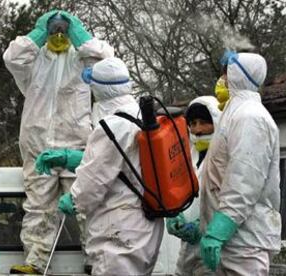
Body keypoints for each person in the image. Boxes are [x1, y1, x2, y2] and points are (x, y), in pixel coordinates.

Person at [3, 9, 114, 274]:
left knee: (87, 205)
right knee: (38, 207)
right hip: (37, 145)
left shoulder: (83, 60)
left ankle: (95, 262)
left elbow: (106, 60)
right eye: (54, 31)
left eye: (64, 31)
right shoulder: (33, 62)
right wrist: (40, 31)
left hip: (76, 146)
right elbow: (12, 57)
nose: (59, 35)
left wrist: (78, 32)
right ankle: (35, 262)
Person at [46, 57, 164, 275]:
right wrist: (74, 159)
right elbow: (121, 166)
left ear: (98, 89)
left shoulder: (113, 125)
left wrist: (74, 198)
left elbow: (96, 178)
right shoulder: (139, 114)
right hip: (146, 225)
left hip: (120, 228)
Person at [199, 52, 281, 275]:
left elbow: (244, 181)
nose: (222, 78)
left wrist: (220, 228)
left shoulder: (250, 117)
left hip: (244, 239)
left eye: (226, 72)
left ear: (237, 74)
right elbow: (218, 173)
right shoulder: (235, 112)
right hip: (235, 238)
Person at [166, 96, 221, 276]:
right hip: (188, 247)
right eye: (193, 123)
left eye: (204, 122)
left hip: (215, 247)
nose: (197, 129)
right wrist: (174, 214)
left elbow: (233, 201)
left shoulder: (224, 156)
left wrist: (203, 226)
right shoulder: (191, 155)